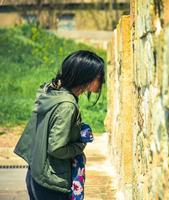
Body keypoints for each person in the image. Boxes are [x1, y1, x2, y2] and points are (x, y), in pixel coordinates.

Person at [14, 50, 105, 200]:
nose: (102, 82)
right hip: (51, 184)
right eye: (100, 77)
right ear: (86, 77)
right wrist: (79, 145)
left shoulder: (53, 92)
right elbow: (56, 147)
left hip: (35, 175)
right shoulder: (67, 106)